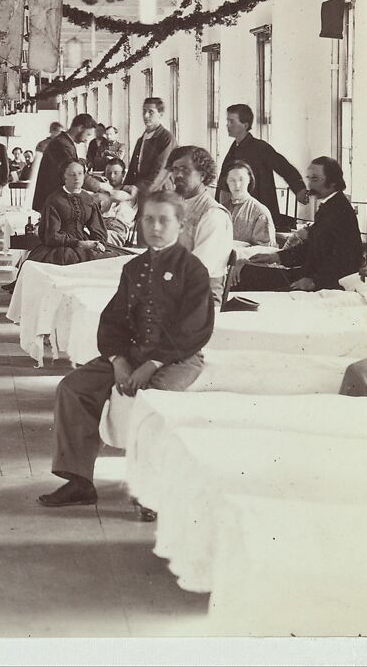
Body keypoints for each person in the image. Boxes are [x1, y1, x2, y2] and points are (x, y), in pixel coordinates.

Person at [38, 190, 214, 508]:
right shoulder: (133, 268)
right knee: (73, 388)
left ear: (181, 224)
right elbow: (114, 320)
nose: (155, 227)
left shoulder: (193, 270)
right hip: (133, 352)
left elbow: (192, 328)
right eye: (148, 219)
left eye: (164, 220)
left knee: (153, 403)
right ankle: (79, 481)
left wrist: (153, 364)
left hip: (179, 357)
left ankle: (151, 492)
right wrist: (119, 360)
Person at [238, 156, 363, 291]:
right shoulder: (328, 206)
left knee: (248, 277)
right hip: (309, 275)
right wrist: (275, 256)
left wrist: (314, 282)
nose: (309, 185)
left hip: (324, 281)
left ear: (333, 182)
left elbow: (347, 260)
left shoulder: (341, 211)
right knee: (245, 271)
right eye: (309, 178)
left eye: (315, 179)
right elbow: (310, 248)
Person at [217, 104, 309, 230]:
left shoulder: (260, 147)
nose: (227, 125)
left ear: (245, 125)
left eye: (232, 121)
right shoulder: (234, 148)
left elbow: (283, 166)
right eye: (227, 121)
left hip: (256, 212)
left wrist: (299, 189)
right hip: (236, 210)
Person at [167, 146, 234, 302]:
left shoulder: (213, 214)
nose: (178, 175)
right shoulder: (179, 206)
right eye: (175, 169)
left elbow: (196, 270)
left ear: (203, 175)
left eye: (185, 169)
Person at [26, 160, 118, 266]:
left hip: (85, 243)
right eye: (72, 174)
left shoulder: (88, 199)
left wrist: (98, 243)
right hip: (59, 247)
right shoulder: (54, 200)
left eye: (80, 174)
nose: (77, 178)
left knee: (113, 259)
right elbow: (51, 235)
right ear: (64, 177)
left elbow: (98, 229)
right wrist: (79, 243)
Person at [32, 113, 96, 214]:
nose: (86, 140)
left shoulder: (65, 142)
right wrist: (99, 186)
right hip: (52, 201)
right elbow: (73, 172)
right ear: (80, 127)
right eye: (88, 134)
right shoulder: (62, 144)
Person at [126, 98, 177, 196]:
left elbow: (160, 171)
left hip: (160, 192)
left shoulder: (166, 138)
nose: (146, 116)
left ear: (160, 115)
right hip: (141, 191)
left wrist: (137, 188)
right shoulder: (141, 139)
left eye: (151, 112)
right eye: (144, 111)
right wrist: (125, 188)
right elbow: (133, 169)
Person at [223, 161, 277, 246]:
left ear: (249, 180)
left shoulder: (260, 212)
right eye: (232, 180)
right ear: (226, 181)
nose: (237, 185)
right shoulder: (221, 209)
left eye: (241, 179)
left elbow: (264, 252)